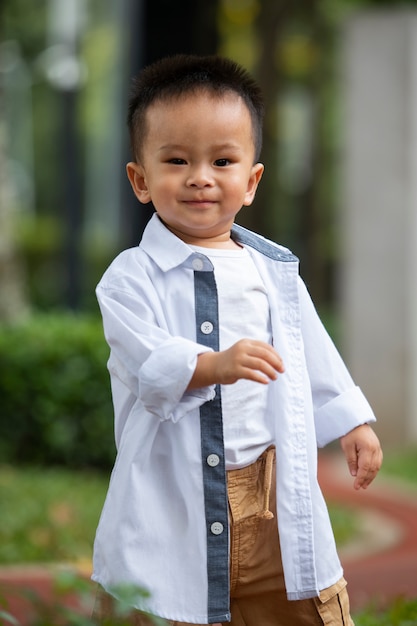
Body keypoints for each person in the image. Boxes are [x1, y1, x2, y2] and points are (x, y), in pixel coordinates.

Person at [92, 54, 383, 626]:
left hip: (271, 491)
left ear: (250, 181)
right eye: (177, 160)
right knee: (167, 602)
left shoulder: (272, 273)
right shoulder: (130, 277)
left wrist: (351, 420)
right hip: (170, 492)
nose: (201, 176)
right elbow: (146, 361)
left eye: (222, 161)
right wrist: (213, 365)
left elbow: (310, 356)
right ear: (140, 179)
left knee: (298, 603)